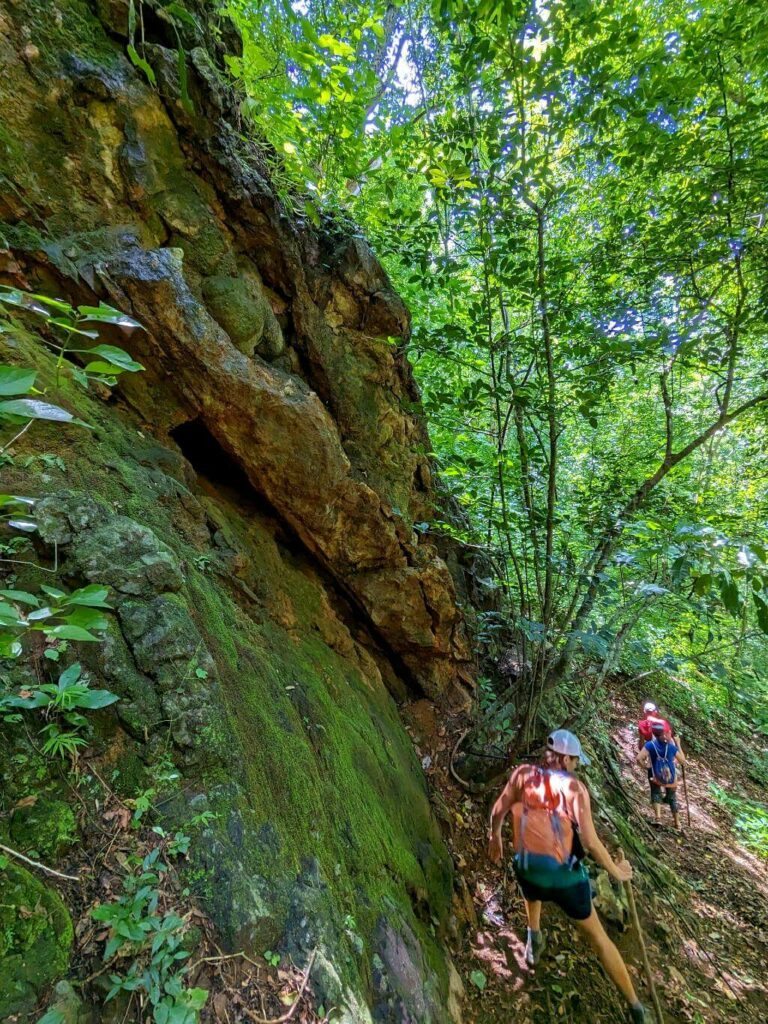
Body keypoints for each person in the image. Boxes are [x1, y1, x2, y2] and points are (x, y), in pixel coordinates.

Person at [488, 730, 647, 1023]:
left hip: (526, 870)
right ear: (565, 759)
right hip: (565, 881)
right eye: (574, 760)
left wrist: (495, 837)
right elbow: (590, 843)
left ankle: (533, 937)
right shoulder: (574, 789)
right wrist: (618, 873)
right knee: (599, 938)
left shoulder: (522, 773)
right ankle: (635, 1005)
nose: (576, 766)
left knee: (530, 881)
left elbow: (499, 809)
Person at [637, 723, 686, 829]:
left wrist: (646, 767)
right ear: (663, 734)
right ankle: (677, 823)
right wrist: (678, 743)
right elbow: (682, 761)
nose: (669, 734)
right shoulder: (671, 747)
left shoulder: (650, 745)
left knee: (655, 793)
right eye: (667, 732)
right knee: (672, 797)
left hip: (656, 775)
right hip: (671, 777)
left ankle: (658, 818)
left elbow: (639, 758)